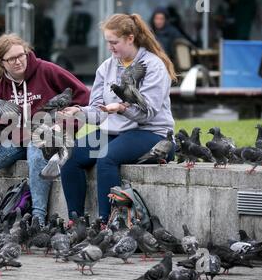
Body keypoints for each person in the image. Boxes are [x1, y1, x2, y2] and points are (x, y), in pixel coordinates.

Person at [0, 33, 90, 225]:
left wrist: (63, 124)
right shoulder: (2, 87)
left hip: (48, 138)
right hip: (18, 140)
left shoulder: (47, 70)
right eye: (12, 59)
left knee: (36, 153)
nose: (18, 61)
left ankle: (38, 219)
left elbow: (84, 97)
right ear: (2, 63)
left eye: (21, 55)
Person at [60, 13, 176, 223]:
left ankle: (108, 222)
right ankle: (75, 222)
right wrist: (78, 111)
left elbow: (147, 113)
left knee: (107, 158)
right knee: (70, 156)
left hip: (151, 133)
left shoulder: (154, 65)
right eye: (107, 43)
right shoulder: (106, 67)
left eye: (114, 42)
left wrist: (121, 108)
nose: (110, 48)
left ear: (130, 38)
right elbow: (98, 111)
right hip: (114, 132)